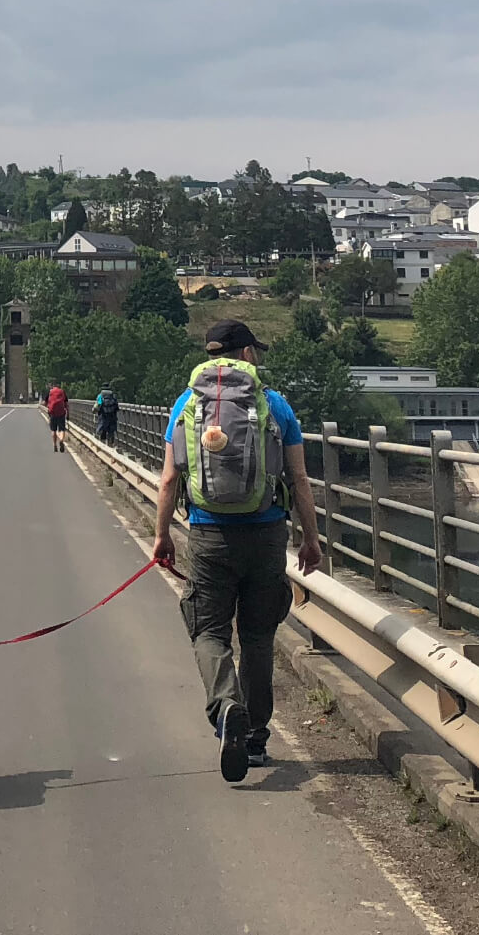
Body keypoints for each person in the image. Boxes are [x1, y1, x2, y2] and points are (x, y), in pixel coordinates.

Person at [148, 319, 322, 783]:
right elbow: (299, 478)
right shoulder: (275, 405)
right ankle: (257, 737)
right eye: (256, 351)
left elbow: (169, 479)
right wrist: (310, 537)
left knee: (209, 631)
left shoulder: (185, 405)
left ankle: (226, 705)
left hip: (208, 536)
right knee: (259, 636)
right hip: (266, 536)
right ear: (245, 353)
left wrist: (162, 535)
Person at [43, 383, 69, 452]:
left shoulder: (50, 392)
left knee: (53, 430)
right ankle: (61, 440)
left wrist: (48, 408)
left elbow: (45, 403)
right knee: (62, 429)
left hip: (53, 414)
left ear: (53, 386)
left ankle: (55, 445)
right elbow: (66, 404)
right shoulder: (62, 392)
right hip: (61, 413)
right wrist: (68, 414)